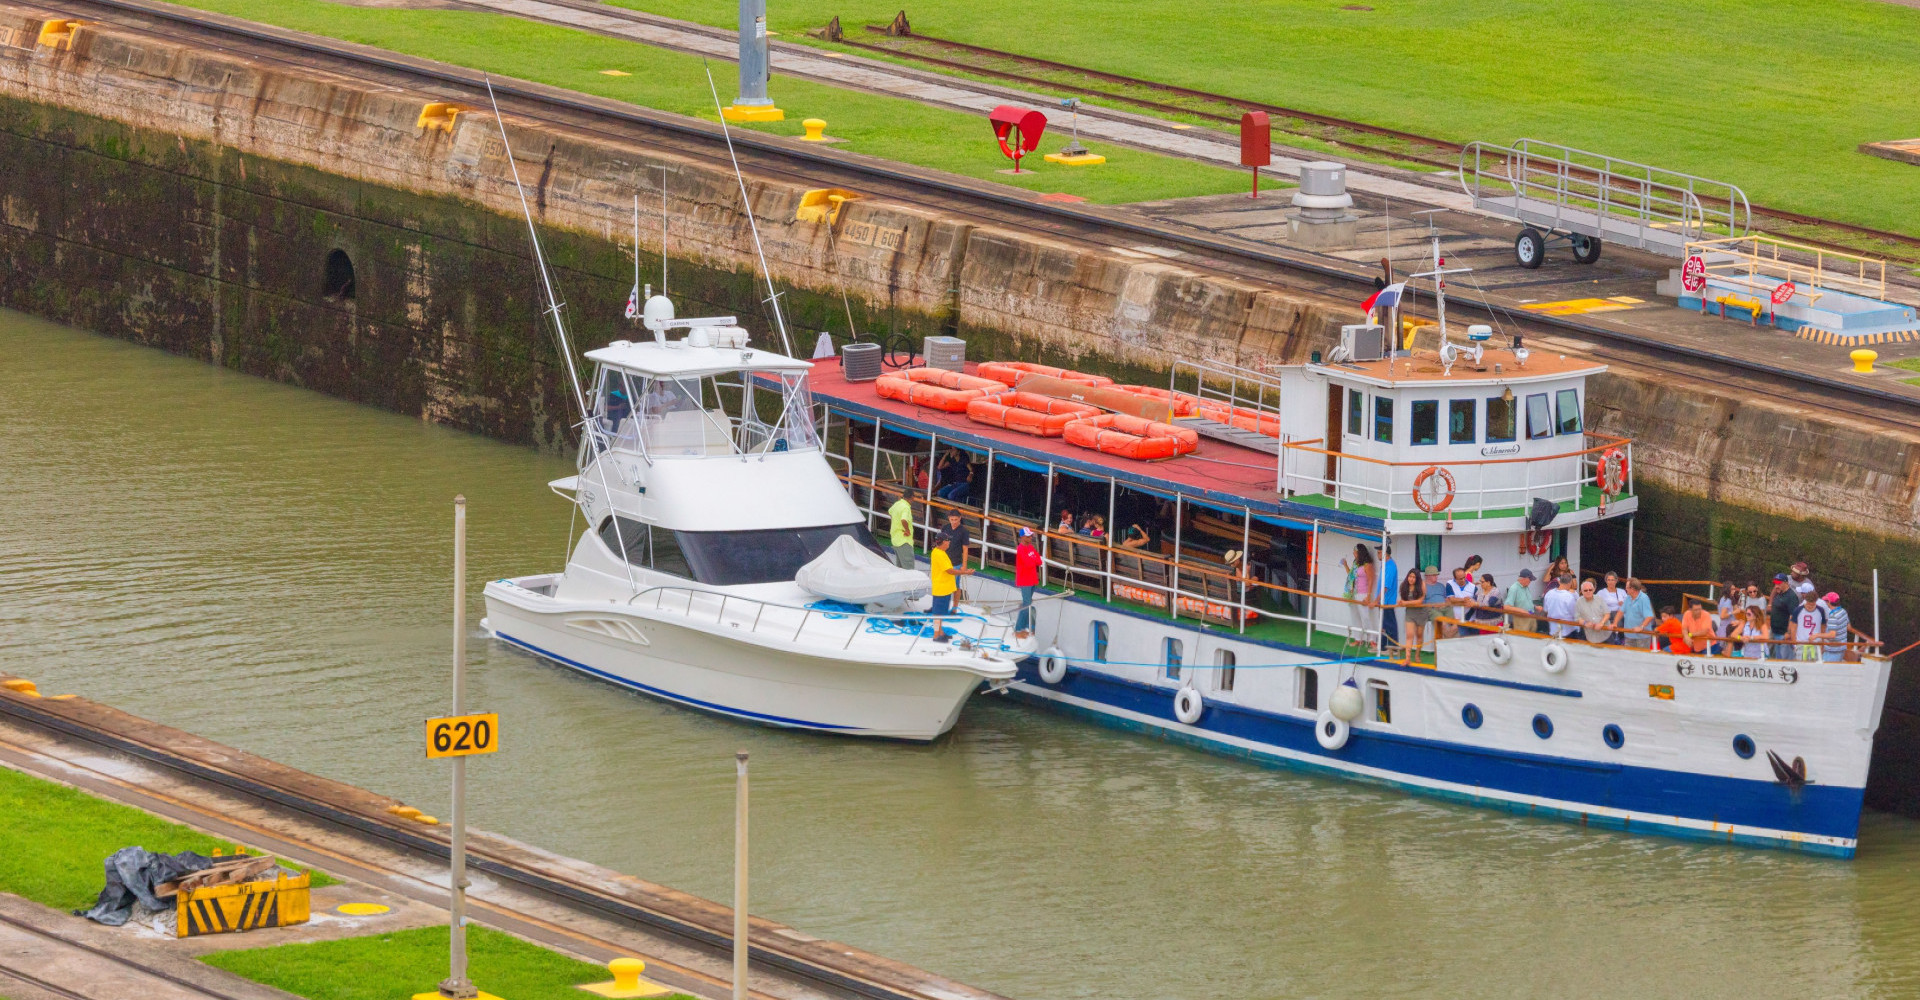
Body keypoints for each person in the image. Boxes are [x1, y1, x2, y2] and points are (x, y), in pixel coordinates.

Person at [927, 536, 973, 643]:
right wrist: (965, 572)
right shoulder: (938, 554)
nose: (949, 542)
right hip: (941, 589)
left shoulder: (939, 552)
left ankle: (940, 632)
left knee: (941, 613)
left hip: (945, 588)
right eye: (948, 540)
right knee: (938, 614)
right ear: (943, 542)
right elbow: (949, 571)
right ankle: (936, 635)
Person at [1013, 526, 1041, 638]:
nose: (1031, 537)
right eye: (1029, 536)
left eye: (1031, 535)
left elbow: (1038, 561)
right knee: (1026, 604)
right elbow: (1029, 563)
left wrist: (1032, 559)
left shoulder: (1030, 547)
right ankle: (1018, 629)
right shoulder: (1021, 549)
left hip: (1032, 579)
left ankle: (1022, 628)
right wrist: (1033, 559)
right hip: (1025, 580)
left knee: (1027, 604)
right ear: (1022, 537)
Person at [1768, 574, 1799, 660]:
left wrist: (1789, 633)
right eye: (1775, 583)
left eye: (1779, 583)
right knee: (1773, 658)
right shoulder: (1779, 593)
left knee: (1783, 660)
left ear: (1786, 583)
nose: (1776, 586)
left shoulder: (1791, 597)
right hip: (1774, 632)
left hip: (1783, 634)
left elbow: (1793, 617)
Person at [1400, 567, 1429, 652]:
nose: (1411, 579)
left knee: (1419, 635)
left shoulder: (1422, 584)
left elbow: (1420, 601)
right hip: (1410, 613)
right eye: (1410, 576)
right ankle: (1407, 658)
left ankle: (1417, 654)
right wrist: (1402, 603)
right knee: (1409, 635)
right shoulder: (1403, 585)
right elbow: (1403, 600)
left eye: (1414, 577)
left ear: (1417, 578)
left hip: (1421, 613)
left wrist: (1405, 603)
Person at [1620, 578, 1655, 649]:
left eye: (1627, 587)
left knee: (1642, 656)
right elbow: (1622, 612)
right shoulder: (1628, 598)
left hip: (1642, 635)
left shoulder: (1644, 599)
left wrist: (1641, 627)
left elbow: (1650, 617)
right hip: (1629, 634)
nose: (1625, 589)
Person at [1793, 590, 1827, 661]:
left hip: (1816, 644)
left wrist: (1822, 644)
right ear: (1805, 601)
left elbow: (1823, 627)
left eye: (1812, 604)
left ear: (1816, 602)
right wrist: (1794, 644)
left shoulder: (1821, 611)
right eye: (1808, 604)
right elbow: (1793, 628)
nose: (1810, 606)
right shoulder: (1798, 610)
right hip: (1801, 644)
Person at [886, 491, 916, 570]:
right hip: (904, 540)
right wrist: (907, 530)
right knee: (908, 568)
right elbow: (904, 520)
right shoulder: (906, 507)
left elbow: (890, 512)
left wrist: (895, 522)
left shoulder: (897, 504)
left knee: (899, 568)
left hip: (896, 539)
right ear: (912, 497)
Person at [1541, 574, 1577, 639]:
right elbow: (1575, 614)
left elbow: (1546, 610)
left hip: (1552, 630)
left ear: (1559, 581)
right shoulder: (1570, 597)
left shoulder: (1549, 593)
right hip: (1567, 632)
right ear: (1570, 583)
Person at [1378, 545, 1400, 651]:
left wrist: (1376, 600)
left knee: (1390, 625)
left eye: (1379, 552)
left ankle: (1393, 648)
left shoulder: (1391, 566)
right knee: (1383, 625)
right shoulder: (1385, 564)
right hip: (1383, 601)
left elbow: (1386, 586)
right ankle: (1382, 647)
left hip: (1387, 601)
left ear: (1385, 553)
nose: (1377, 554)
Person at [1575, 578, 1611, 644]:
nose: (1588, 592)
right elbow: (1577, 618)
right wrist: (1585, 623)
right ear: (1582, 591)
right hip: (1590, 637)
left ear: (1593, 590)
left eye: (1590, 590)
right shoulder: (1578, 602)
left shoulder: (1600, 599)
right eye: (1585, 590)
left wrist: (1601, 623)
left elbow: (1607, 613)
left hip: (1606, 635)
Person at [1822, 592, 1853, 662]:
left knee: (1826, 670)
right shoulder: (1843, 611)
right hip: (1841, 648)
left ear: (1829, 602)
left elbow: (1832, 635)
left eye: (1826, 601)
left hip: (1833, 650)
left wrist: (1817, 635)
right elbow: (1849, 627)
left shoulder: (1833, 617)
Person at [1597, 572, 1627, 643]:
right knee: (1607, 624)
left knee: (1618, 623)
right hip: (1606, 614)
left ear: (1616, 581)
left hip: (1619, 614)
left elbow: (1628, 605)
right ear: (1606, 581)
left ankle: (1616, 641)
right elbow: (1596, 605)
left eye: (1612, 580)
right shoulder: (1601, 593)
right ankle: (1613, 642)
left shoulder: (1621, 592)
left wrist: (1623, 604)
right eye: (1609, 580)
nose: (1610, 582)